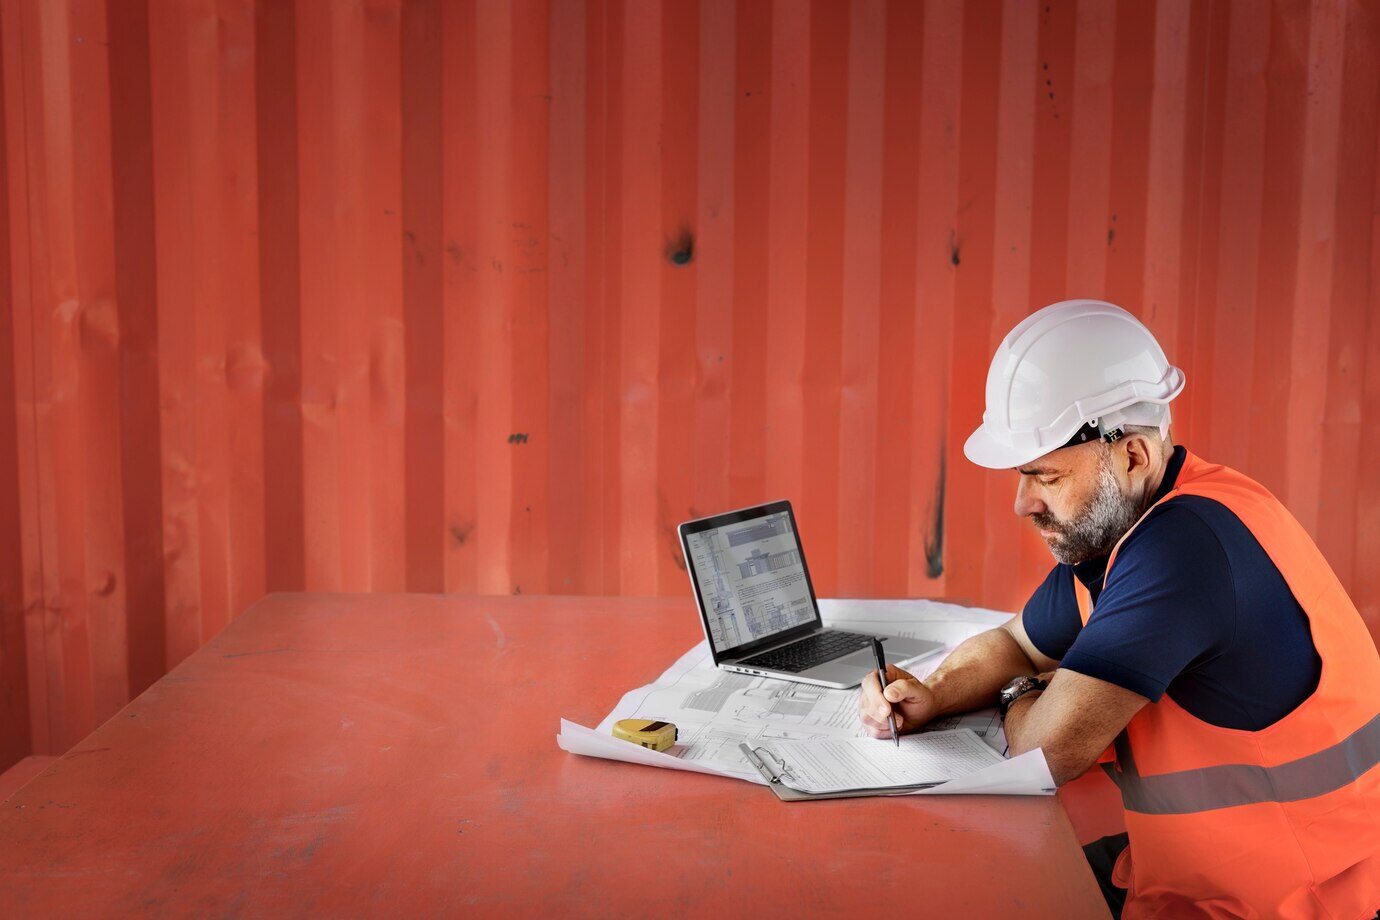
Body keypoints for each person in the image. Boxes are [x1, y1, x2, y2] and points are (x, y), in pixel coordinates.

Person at [858, 299, 1380, 919]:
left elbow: (1044, 751)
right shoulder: (1127, 533)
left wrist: (1016, 694)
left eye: (1046, 478)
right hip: (1194, 880)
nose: (1022, 503)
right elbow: (1017, 645)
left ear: (1132, 455)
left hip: (1291, 903)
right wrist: (932, 692)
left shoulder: (1183, 550)